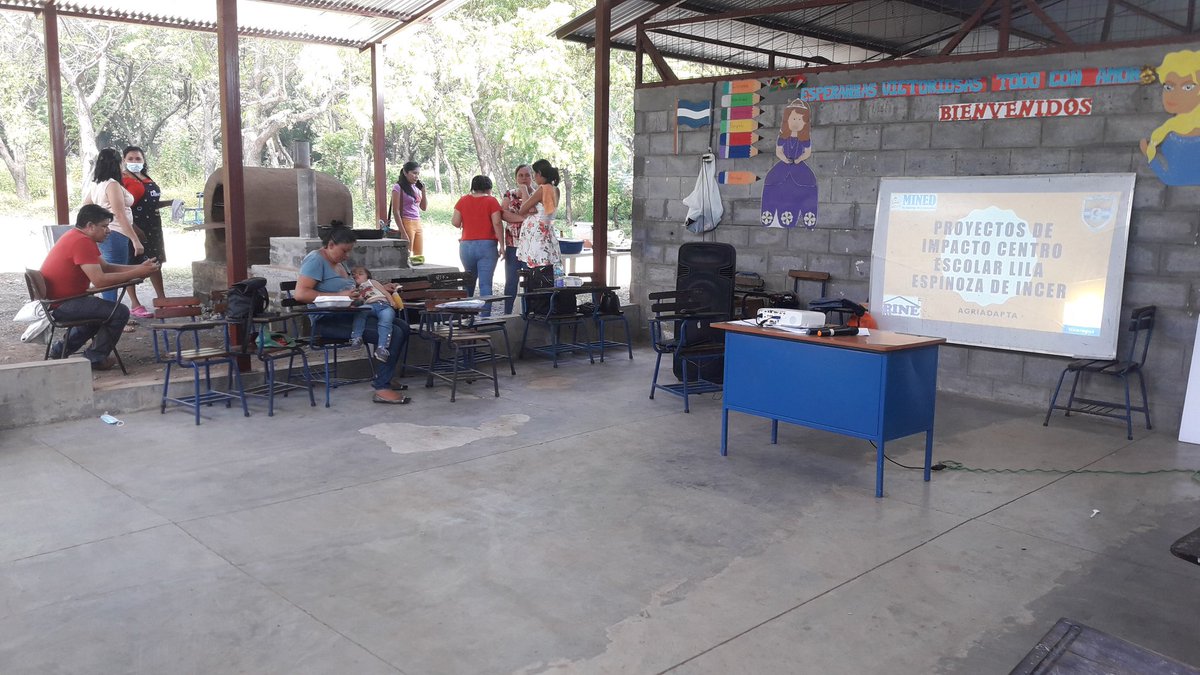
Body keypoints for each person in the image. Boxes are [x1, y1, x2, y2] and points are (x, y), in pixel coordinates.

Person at [292, 228, 412, 404]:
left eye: (349, 251)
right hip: (328, 319)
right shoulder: (316, 260)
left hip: (352, 314)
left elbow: (355, 289)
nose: (347, 255)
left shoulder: (339, 262)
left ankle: (383, 376)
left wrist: (379, 289)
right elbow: (301, 294)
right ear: (331, 245)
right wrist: (341, 296)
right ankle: (382, 387)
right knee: (394, 332)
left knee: (402, 326)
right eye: (344, 250)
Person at [39, 204, 159, 370]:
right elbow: (100, 280)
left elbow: (106, 267)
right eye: (104, 226)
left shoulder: (77, 236)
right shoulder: (81, 241)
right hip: (63, 304)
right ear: (90, 226)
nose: (108, 231)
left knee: (103, 312)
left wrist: (138, 268)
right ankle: (94, 358)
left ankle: (60, 350)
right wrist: (138, 271)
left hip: (59, 303)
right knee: (120, 312)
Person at [83, 147, 150, 317]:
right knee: (111, 277)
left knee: (109, 273)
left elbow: (86, 207)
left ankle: (110, 314)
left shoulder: (97, 184)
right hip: (116, 233)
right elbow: (120, 214)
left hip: (107, 233)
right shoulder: (112, 184)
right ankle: (110, 315)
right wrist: (135, 239)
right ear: (117, 164)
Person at [1141, 49, 1200, 186]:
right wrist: (1150, 156)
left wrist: (1151, 157)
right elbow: (1173, 178)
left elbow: (1174, 178)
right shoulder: (1166, 130)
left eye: (1188, 87)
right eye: (1168, 87)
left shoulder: (1167, 133)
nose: (1173, 95)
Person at [121, 145, 171, 305]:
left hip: (153, 227)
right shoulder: (122, 181)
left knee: (155, 263)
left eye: (138, 159)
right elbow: (121, 208)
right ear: (124, 161)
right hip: (134, 227)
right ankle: (135, 303)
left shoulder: (146, 178)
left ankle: (161, 299)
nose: (134, 161)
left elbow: (151, 203)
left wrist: (170, 203)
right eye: (130, 159)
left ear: (143, 161)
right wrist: (133, 229)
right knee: (132, 265)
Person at [760, 99, 819, 229]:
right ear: (787, 120)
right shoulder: (783, 137)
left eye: (800, 120)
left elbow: (807, 152)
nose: (796, 123)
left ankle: (805, 216)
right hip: (784, 164)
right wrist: (785, 159)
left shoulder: (804, 138)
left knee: (807, 183)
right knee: (772, 181)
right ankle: (771, 214)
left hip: (798, 165)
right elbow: (778, 151)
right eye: (794, 119)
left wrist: (798, 160)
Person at [452, 175, 504, 316]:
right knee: (485, 284)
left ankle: (466, 315)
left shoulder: (462, 200)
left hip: (466, 246)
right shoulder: (491, 201)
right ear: (488, 188)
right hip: (487, 246)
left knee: (468, 281)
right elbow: (497, 223)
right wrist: (502, 245)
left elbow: (455, 222)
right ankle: (485, 317)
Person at [515, 159, 563, 269]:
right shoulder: (556, 189)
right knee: (546, 266)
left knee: (534, 269)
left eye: (534, 174)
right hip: (547, 231)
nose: (534, 177)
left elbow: (523, 210)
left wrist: (524, 191)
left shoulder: (542, 189)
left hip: (536, 233)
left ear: (539, 174)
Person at [500, 164, 533, 314]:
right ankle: (507, 312)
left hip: (531, 246)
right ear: (515, 177)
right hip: (512, 243)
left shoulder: (537, 194)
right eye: (520, 175)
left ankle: (527, 313)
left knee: (529, 282)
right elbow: (503, 214)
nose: (524, 178)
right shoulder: (509, 194)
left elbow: (532, 212)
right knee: (511, 281)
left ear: (532, 177)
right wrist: (523, 218)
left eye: (527, 175)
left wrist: (526, 192)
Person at [349, 265, 397, 361]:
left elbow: (385, 292)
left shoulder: (372, 282)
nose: (358, 276)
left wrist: (392, 301)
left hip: (383, 304)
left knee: (386, 321)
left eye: (361, 274)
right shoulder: (357, 290)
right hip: (370, 305)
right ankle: (356, 337)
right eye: (355, 276)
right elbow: (359, 301)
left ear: (368, 276)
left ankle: (382, 347)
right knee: (360, 312)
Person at [390, 161, 428, 262]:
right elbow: (396, 211)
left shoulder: (415, 188)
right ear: (405, 173)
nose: (416, 176)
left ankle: (416, 276)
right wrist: (402, 231)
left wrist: (423, 191)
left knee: (418, 256)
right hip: (407, 222)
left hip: (417, 222)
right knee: (406, 254)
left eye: (418, 174)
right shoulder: (398, 187)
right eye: (414, 173)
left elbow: (424, 207)